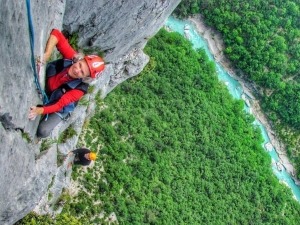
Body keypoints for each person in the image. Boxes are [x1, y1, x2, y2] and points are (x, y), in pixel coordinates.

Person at [28, 29, 105, 138]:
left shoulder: (79, 89)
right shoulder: (72, 58)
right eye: (80, 65)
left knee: (43, 131)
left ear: (85, 78)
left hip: (60, 105)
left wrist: (38, 111)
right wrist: (46, 54)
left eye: (82, 72)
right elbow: (56, 34)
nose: (77, 70)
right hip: (51, 88)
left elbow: (59, 104)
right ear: (79, 60)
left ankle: (56, 118)